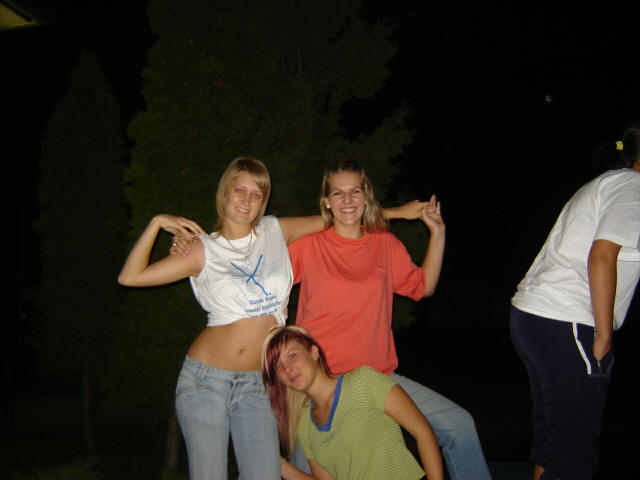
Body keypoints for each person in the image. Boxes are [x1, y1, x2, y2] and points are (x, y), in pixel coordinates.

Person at [117, 157, 326, 480]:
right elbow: (130, 277)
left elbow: (340, 216)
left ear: (264, 201)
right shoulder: (201, 249)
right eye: (239, 190)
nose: (246, 200)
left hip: (258, 384)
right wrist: (157, 223)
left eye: (256, 194)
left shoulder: (275, 230)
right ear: (225, 193)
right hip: (206, 382)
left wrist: (396, 213)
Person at [287, 159, 492, 480]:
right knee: (304, 467)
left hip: (376, 378)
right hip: (322, 383)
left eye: (355, 192)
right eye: (338, 194)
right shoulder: (309, 246)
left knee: (459, 426)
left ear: (366, 195)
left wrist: (438, 233)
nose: (347, 200)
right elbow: (266, 252)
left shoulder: (384, 244)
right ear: (326, 201)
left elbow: (423, 286)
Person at [510, 124, 640, 480]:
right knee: (574, 452)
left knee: (554, 440)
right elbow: (601, 257)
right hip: (566, 318)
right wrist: (603, 336)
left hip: (540, 317)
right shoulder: (633, 188)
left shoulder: (614, 184)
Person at [261, 325, 444, 480]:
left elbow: (423, 432)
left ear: (313, 352)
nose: (287, 369)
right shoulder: (305, 425)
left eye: (292, 355)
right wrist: (279, 464)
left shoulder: (363, 381)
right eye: (278, 366)